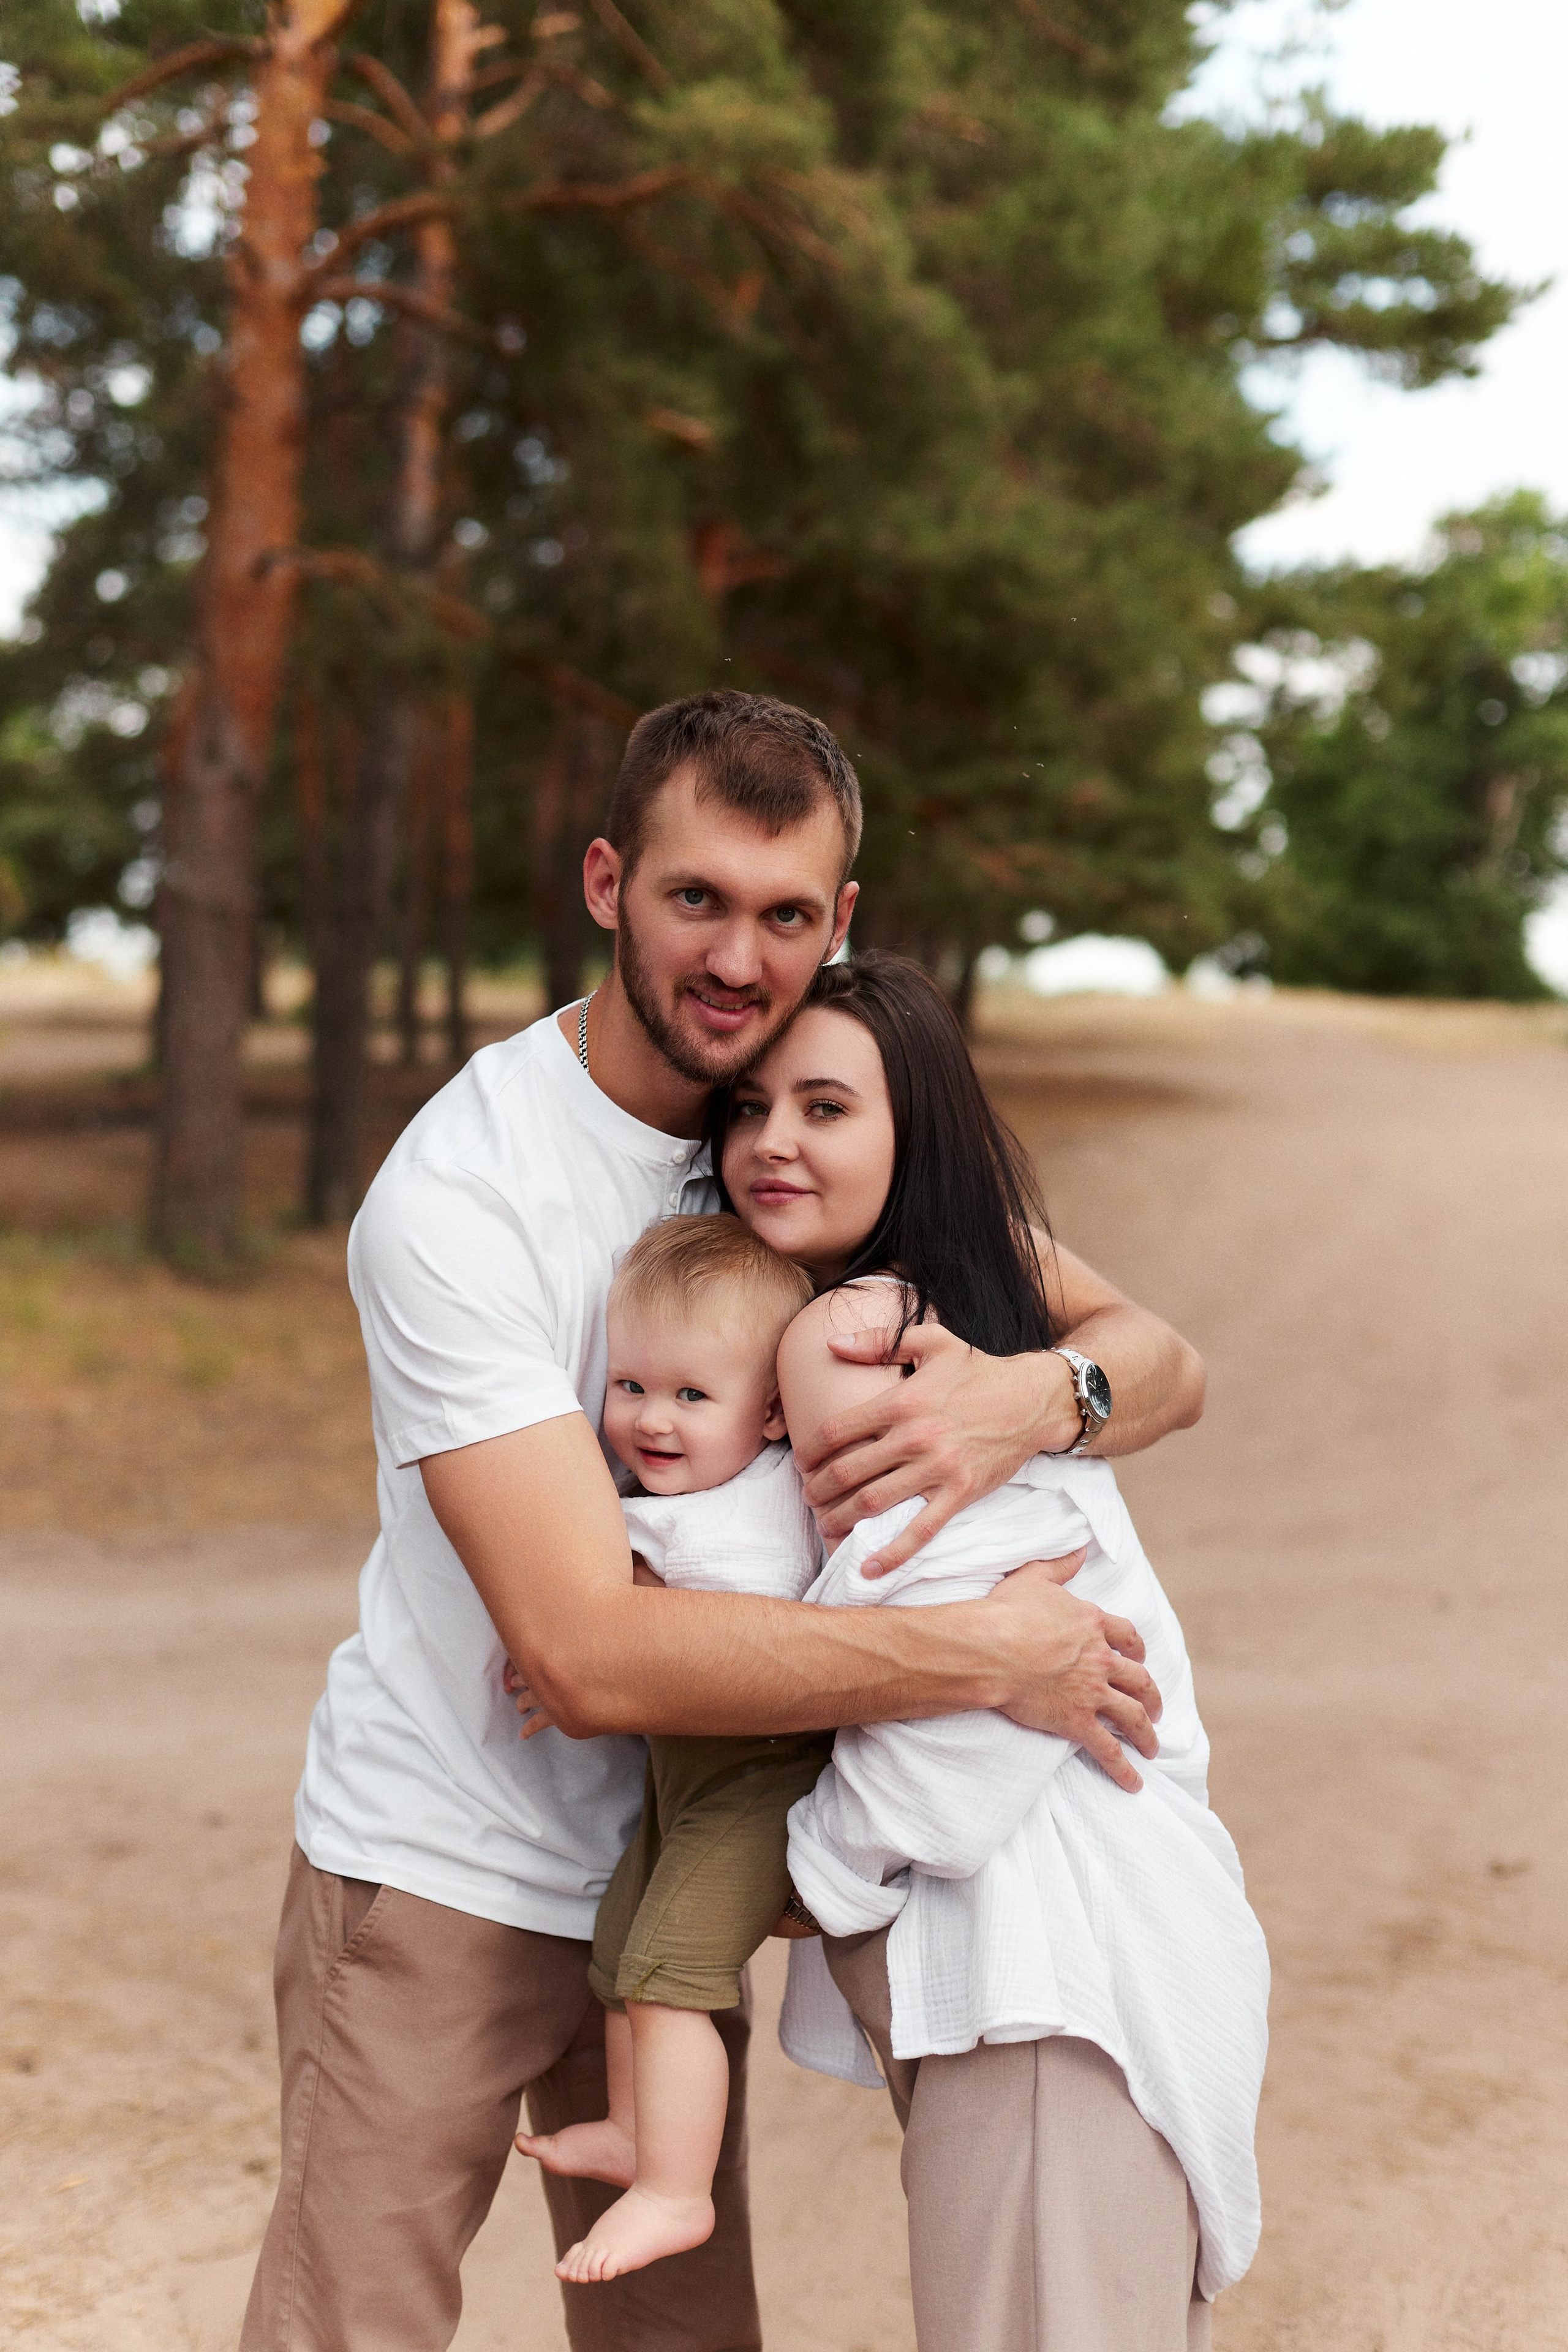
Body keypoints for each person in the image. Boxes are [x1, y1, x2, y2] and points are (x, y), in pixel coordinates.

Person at [239, 688, 1205, 2352]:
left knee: (678, 2341)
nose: (737, 964)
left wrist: (1031, 1399)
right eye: (697, 900)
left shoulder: (792, 1131)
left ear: (840, 921)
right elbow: (591, 1653)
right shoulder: (464, 1194)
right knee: (352, 2329)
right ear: (609, 883)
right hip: (449, 1867)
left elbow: (1161, 1360)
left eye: (781, 916)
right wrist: (988, 1655)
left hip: (677, 1867)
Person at [708, 952, 1268, 2352]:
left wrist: (802, 1879)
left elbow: (969, 1723)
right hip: (1026, 1984)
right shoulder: (832, 1327)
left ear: (909, 1139)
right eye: (747, 1104)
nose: (773, 1139)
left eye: (825, 1106)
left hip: (1048, 1971)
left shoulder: (911, 1364)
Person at [514, 1215, 828, 2284]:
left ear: (775, 1413)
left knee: (670, 1976)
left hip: (761, 1779)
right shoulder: (676, 1498)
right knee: (623, 1949)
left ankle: (676, 2191)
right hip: (689, 1775)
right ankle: (629, 2131)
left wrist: (606, 1628)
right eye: (633, 1385)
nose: (653, 1420)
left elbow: (712, 1626)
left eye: (695, 1396)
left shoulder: (751, 1518)